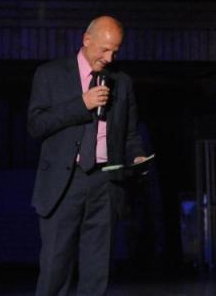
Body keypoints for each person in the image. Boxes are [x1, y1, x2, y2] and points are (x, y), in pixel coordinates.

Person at [28, 16, 148, 296]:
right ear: (86, 40)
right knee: (55, 271)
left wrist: (138, 156)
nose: (109, 57)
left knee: (96, 273)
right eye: (104, 49)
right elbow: (36, 125)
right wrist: (81, 104)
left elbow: (129, 133)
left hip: (105, 184)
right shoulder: (50, 74)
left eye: (115, 51)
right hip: (64, 183)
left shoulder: (122, 82)